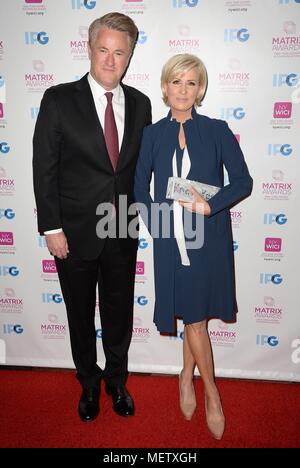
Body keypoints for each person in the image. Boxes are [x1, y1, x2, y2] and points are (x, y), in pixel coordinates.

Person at [33, 12, 152, 422]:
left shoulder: (141, 104)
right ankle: (88, 383)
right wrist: (51, 227)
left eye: (120, 53)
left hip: (122, 230)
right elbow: (43, 166)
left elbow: (140, 170)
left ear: (130, 56)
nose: (110, 60)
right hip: (74, 233)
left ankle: (116, 381)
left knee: (119, 314)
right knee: (79, 315)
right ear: (89, 48)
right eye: (103, 49)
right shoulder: (58, 99)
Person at [134, 53, 252, 440]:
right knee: (191, 315)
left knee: (196, 319)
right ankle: (196, 382)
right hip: (170, 238)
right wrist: (157, 222)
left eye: (191, 82)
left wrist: (209, 204)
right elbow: (139, 188)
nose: (183, 90)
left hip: (206, 237)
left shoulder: (217, 130)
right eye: (176, 82)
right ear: (165, 87)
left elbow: (242, 182)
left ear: (199, 89)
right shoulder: (152, 134)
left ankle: (203, 387)